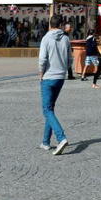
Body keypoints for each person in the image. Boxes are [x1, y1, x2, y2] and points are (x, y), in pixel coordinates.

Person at [38, 14, 71, 155]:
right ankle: (45, 142)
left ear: (50, 24)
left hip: (48, 77)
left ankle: (61, 137)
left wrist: (41, 73)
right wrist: (64, 69)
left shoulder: (46, 38)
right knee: (50, 108)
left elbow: (42, 59)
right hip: (60, 77)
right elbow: (70, 59)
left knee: (46, 110)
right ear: (61, 25)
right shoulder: (66, 38)